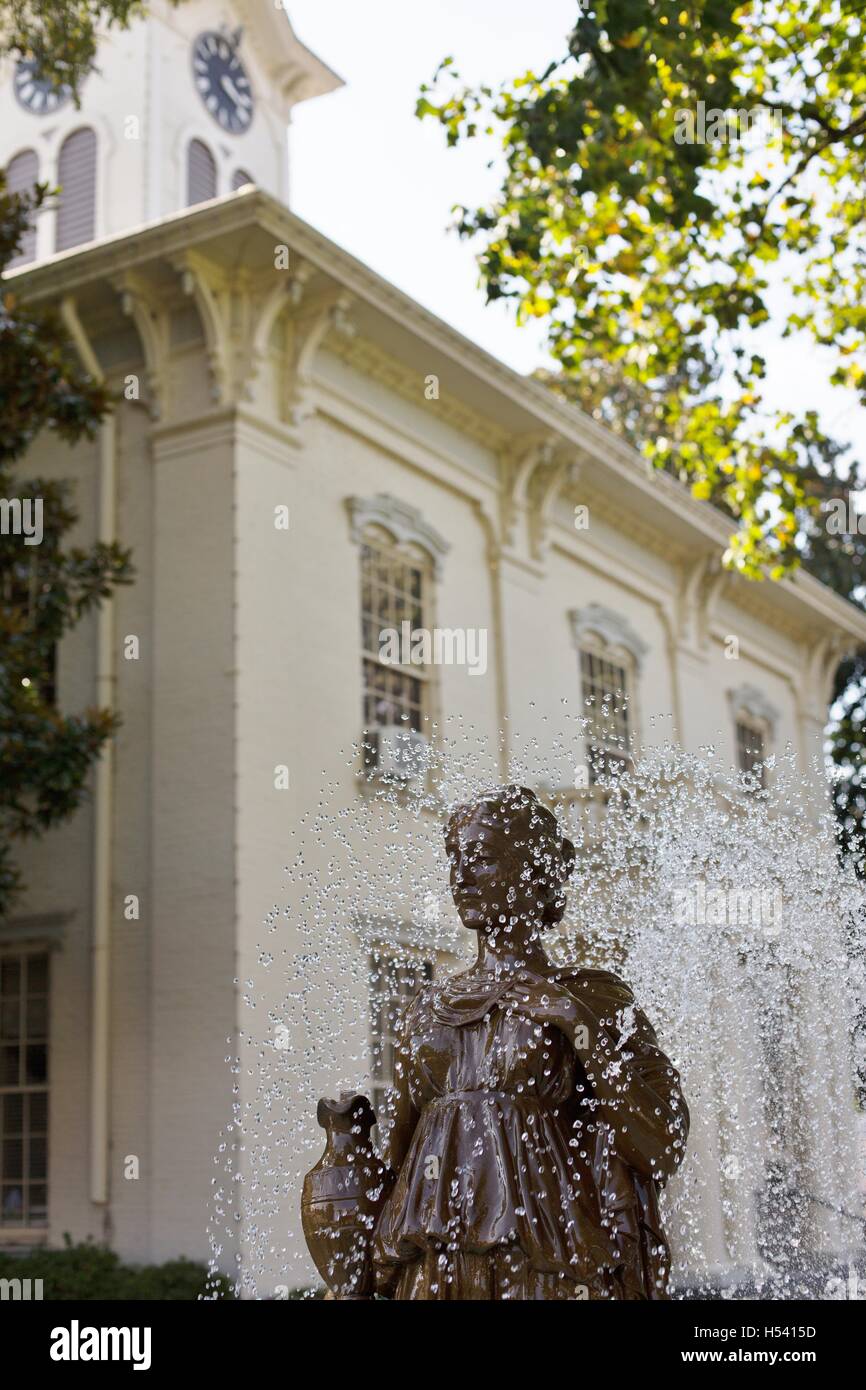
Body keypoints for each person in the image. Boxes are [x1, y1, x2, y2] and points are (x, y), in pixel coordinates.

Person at [372, 785, 689, 1300]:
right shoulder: (426, 1012)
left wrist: (578, 1026)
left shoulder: (592, 998)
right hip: (432, 1261)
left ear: (535, 873)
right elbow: (397, 1155)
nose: (461, 876)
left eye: (482, 858)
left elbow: (662, 1143)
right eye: (455, 858)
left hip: (547, 1258)